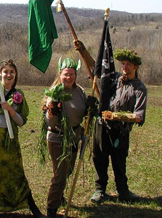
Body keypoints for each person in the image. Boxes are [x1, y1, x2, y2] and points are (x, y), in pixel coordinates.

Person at [0, 36, 45, 218]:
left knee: (16, 173)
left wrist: (10, 111)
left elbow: (22, 122)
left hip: (10, 138)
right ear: (0, 73)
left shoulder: (19, 95)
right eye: (5, 71)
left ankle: (32, 207)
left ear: (15, 76)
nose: (8, 75)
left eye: (12, 72)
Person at [41, 57, 97, 218]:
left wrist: (90, 108)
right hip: (57, 137)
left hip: (74, 135)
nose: (69, 77)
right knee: (60, 174)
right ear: (60, 74)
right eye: (66, 74)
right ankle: (51, 209)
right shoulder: (55, 92)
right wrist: (53, 111)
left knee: (69, 170)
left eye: (72, 74)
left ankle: (60, 196)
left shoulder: (79, 91)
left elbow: (83, 112)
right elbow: (50, 122)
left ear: (75, 75)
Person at [90, 49, 147, 204]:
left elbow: (138, 116)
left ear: (135, 67)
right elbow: (97, 68)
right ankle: (100, 190)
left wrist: (115, 115)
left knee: (119, 161)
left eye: (129, 64)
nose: (125, 67)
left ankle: (123, 191)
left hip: (121, 131)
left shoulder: (139, 88)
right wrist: (82, 50)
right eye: (123, 63)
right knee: (100, 158)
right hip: (102, 127)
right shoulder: (114, 78)